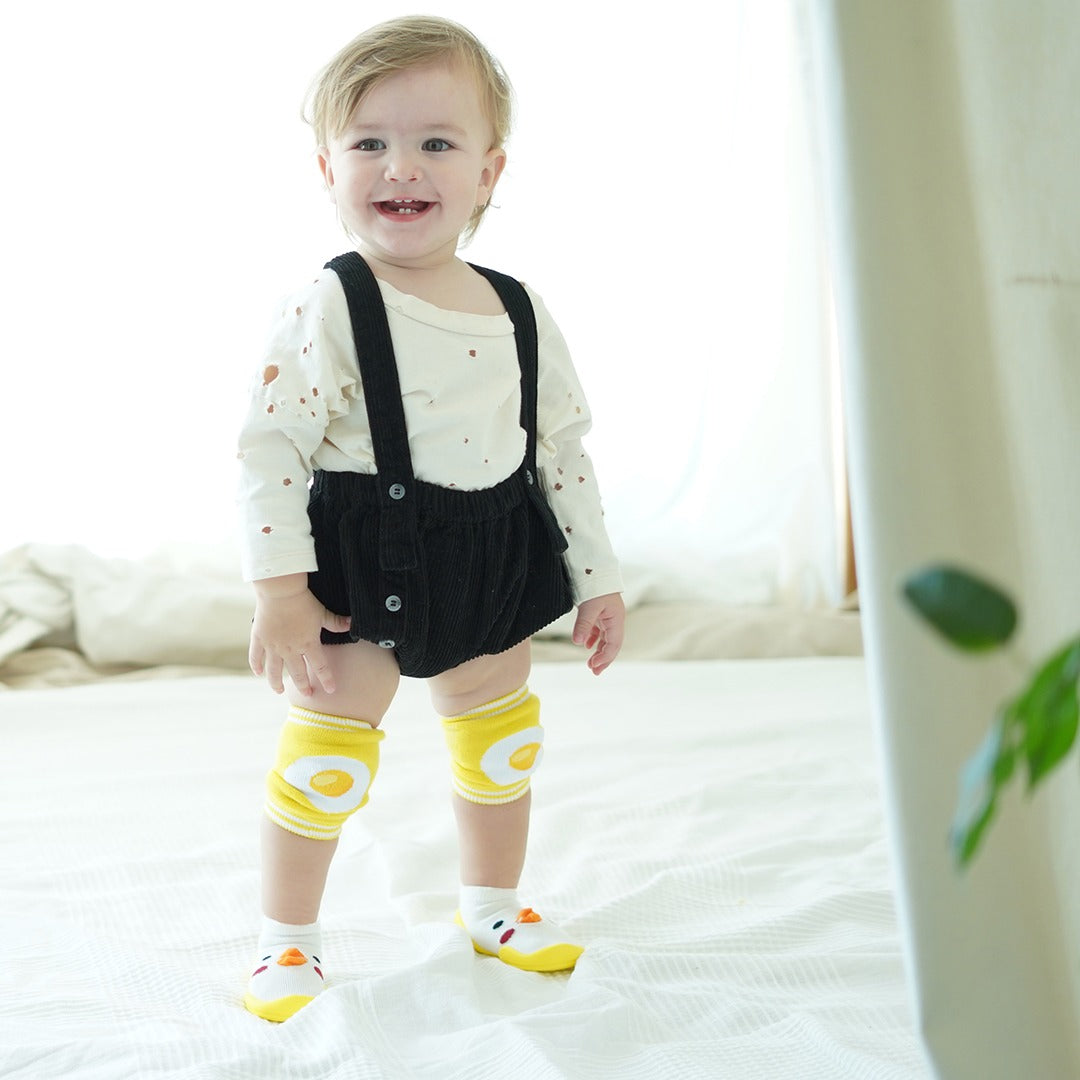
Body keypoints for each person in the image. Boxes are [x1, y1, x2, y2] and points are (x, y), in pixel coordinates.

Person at [235, 15, 625, 1023]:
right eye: (369, 141)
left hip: (490, 556)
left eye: (436, 143)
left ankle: (493, 906)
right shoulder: (328, 304)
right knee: (325, 755)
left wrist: (599, 578)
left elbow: (559, 453)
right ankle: (287, 944)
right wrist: (280, 591)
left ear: (490, 171)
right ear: (326, 166)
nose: (399, 165)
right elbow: (269, 448)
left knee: (501, 749)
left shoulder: (519, 308)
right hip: (363, 563)